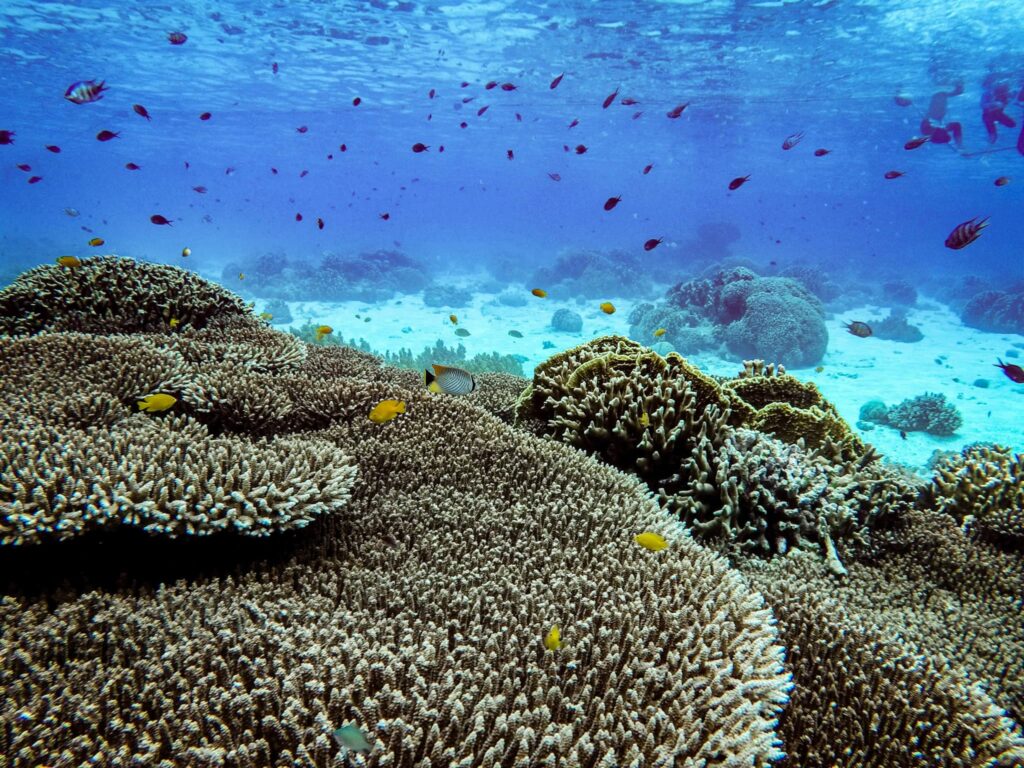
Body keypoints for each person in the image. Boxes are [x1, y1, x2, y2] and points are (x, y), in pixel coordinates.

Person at [920, 80, 964, 147]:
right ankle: (959, 145)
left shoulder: (927, 128)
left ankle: (959, 145)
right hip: (935, 124)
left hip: (933, 123)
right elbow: (956, 126)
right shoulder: (934, 128)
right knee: (955, 125)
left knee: (941, 96)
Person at [980, 72, 1019, 143]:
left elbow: (1014, 96)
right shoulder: (987, 93)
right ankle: (992, 132)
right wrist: (994, 104)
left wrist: (1013, 95)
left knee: (1012, 125)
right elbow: (983, 105)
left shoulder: (1004, 92)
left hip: (999, 114)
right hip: (988, 115)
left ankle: (997, 122)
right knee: (992, 137)